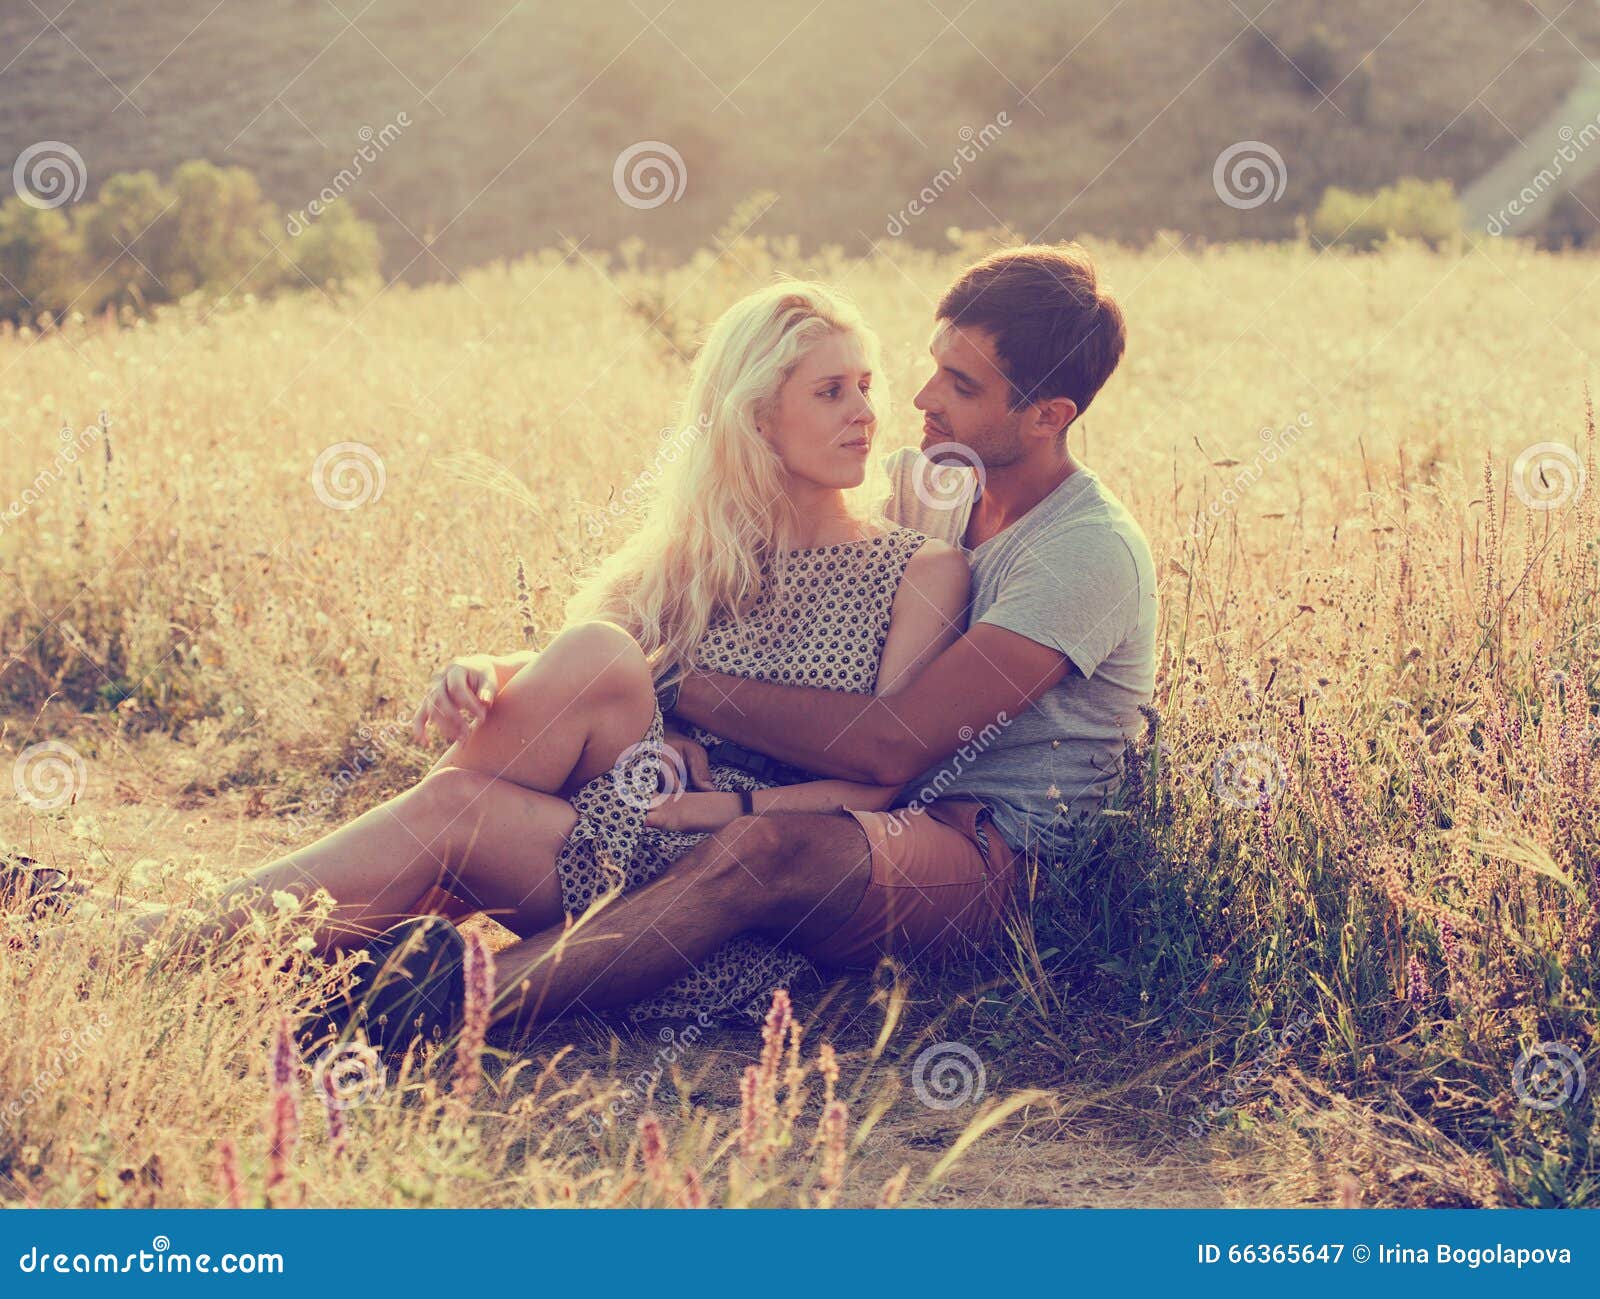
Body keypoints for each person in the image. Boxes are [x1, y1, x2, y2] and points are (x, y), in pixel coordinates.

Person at [20, 279, 969, 1036]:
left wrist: (719, 807)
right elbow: (607, 669)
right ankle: (171, 948)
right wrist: (490, 668)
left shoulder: (915, 569)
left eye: (866, 387)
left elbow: (885, 783)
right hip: (614, 827)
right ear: (758, 417)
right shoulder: (700, 556)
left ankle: (141, 943)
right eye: (831, 391)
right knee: (490, 762)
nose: (865, 415)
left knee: (477, 782)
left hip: (723, 890)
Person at [470, 242, 1158, 1040]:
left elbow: (888, 747)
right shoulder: (919, 483)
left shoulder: (1084, 552)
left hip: (994, 857)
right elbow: (712, 586)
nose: (923, 399)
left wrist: (670, 683)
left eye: (962, 387)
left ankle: (453, 1001)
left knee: (766, 848)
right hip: (865, 818)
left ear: (1049, 416)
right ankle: (358, 919)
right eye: (931, 367)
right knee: (631, 800)